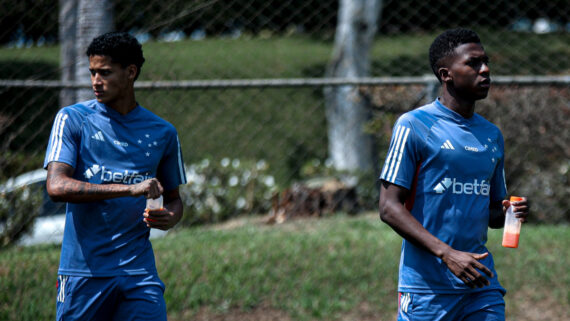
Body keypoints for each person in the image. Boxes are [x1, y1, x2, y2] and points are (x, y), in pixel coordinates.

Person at [378, 28, 530, 321]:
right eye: (473, 63)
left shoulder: (491, 135)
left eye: (485, 62)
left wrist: (511, 210)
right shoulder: (414, 125)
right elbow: (389, 208)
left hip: (481, 286)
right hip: (426, 291)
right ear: (446, 74)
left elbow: (494, 215)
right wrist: (447, 254)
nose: (485, 70)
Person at [44, 31, 187, 321]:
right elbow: (56, 186)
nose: (95, 81)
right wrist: (128, 190)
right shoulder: (72, 119)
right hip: (84, 273)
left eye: (105, 72)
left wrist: (170, 217)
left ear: (131, 72)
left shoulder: (163, 133)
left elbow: (175, 200)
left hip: (139, 274)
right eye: (92, 72)